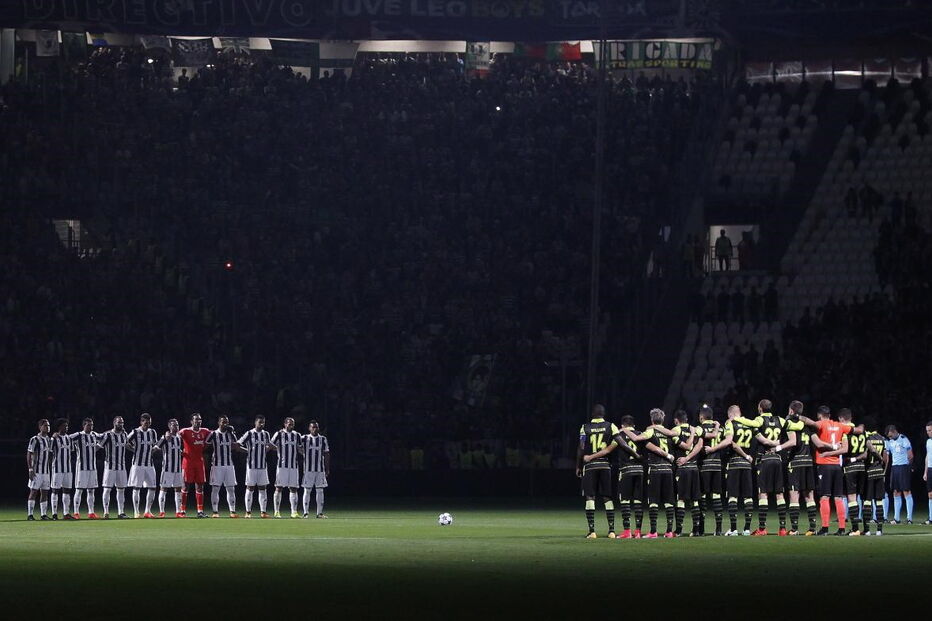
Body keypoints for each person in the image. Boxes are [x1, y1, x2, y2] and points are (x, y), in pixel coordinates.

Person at [733, 399, 789, 536]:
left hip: (764, 459)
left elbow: (750, 423)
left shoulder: (759, 419)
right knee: (779, 494)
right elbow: (791, 428)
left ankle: (762, 529)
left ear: (760, 408)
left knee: (763, 493)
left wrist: (737, 418)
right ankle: (782, 528)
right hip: (777, 459)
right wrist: (778, 443)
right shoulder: (780, 420)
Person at [584, 413, 644, 538]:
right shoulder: (640, 435)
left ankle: (626, 531)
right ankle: (638, 532)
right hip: (640, 470)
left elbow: (607, 450)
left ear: (622, 425)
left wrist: (590, 457)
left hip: (626, 470)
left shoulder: (619, 435)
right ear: (634, 425)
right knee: (638, 500)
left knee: (625, 500)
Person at [622, 409, 677, 538]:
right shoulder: (669, 433)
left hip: (656, 469)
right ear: (662, 420)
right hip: (668, 469)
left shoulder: (651, 431)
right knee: (669, 501)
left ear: (652, 420)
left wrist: (624, 430)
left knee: (653, 500)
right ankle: (669, 531)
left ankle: (653, 531)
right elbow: (675, 434)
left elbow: (636, 438)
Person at [797, 406, 851, 535]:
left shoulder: (820, 424)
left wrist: (827, 454)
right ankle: (842, 528)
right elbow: (845, 449)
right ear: (829, 414)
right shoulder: (839, 426)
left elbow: (818, 441)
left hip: (824, 465)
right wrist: (835, 451)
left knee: (824, 497)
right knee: (838, 497)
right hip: (837, 466)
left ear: (819, 415)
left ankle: (825, 528)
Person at [576, 404, 620, 538]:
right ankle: (612, 531)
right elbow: (618, 441)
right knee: (607, 497)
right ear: (603, 414)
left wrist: (578, 465)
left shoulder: (585, 427)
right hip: (605, 465)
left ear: (592, 414)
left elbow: (581, 447)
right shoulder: (610, 426)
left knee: (590, 496)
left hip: (590, 466)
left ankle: (592, 531)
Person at [782, 401, 818, 535]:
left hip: (796, 462)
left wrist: (778, 447)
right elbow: (818, 443)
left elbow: (793, 442)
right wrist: (832, 446)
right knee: (810, 496)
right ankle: (812, 528)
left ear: (791, 411)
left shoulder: (790, 423)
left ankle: (794, 529)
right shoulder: (808, 426)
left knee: (794, 495)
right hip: (808, 462)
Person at [719, 405, 755, 536]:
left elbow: (732, 444)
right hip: (747, 465)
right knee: (748, 497)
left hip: (734, 463)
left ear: (730, 414)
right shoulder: (750, 424)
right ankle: (747, 529)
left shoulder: (730, 423)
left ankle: (733, 529)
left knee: (733, 497)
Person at [671, 410, 703, 536]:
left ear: (676, 420)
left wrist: (685, 458)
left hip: (683, 469)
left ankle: (678, 530)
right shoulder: (697, 430)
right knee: (695, 500)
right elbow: (700, 445)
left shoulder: (676, 430)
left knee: (681, 499)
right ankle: (695, 530)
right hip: (694, 468)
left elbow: (686, 446)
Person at [837, 409, 867, 535]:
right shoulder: (862, 432)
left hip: (850, 467)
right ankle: (867, 528)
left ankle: (855, 528)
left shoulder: (844, 432)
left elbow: (843, 449)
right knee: (864, 498)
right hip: (862, 466)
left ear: (841, 419)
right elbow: (866, 451)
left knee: (851, 498)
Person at [238, 415, 273, 518]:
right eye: (260, 422)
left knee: (263, 488)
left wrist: (267, 449)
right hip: (251, 466)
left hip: (262, 466)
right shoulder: (249, 433)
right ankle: (248, 512)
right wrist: (248, 451)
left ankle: (263, 512)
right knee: (250, 488)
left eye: (263, 422)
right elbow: (238, 444)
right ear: (255, 423)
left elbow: (268, 445)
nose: (262, 424)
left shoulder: (266, 434)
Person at [207, 415, 241, 518]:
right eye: (223, 422)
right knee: (215, 488)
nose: (225, 424)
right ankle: (215, 512)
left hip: (229, 465)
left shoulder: (230, 434)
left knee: (231, 488)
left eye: (226, 422)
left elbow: (235, 445)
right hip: (217, 465)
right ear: (219, 422)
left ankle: (232, 511)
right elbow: (206, 445)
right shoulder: (213, 434)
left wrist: (232, 433)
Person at [127, 413, 160, 519]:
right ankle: (136, 512)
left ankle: (147, 511)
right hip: (138, 464)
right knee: (137, 488)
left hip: (149, 464)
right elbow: (126, 442)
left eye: (149, 422)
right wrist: (134, 450)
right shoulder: (135, 432)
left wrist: (154, 450)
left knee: (152, 487)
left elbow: (155, 444)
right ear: (141, 422)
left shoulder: (152, 432)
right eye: (145, 422)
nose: (147, 424)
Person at [699, 405, 725, 536]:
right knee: (716, 496)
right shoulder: (720, 429)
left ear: (701, 417)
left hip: (705, 465)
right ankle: (719, 529)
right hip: (717, 465)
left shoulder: (700, 428)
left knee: (703, 496)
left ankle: (701, 529)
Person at [179, 413, 211, 518]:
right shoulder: (185, 431)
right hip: (188, 462)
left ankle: (200, 511)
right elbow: (175, 436)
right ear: (191, 421)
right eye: (196, 419)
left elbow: (215, 434)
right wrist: (179, 450)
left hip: (199, 462)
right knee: (185, 486)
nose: (198, 421)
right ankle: (182, 510)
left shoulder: (205, 431)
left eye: (200, 419)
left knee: (200, 486)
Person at [98, 416, 130, 519]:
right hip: (110, 467)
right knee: (107, 489)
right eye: (119, 423)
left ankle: (121, 512)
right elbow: (99, 445)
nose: (121, 424)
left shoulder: (124, 434)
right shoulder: (108, 434)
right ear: (114, 423)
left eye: (122, 422)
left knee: (121, 490)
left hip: (121, 467)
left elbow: (127, 445)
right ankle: (106, 512)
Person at [270, 417, 302, 518]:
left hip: (293, 466)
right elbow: (271, 444)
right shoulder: (279, 434)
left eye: (292, 424)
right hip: (282, 466)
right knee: (278, 488)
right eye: (289, 424)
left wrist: (306, 454)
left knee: (293, 488)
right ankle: (276, 511)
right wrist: (278, 449)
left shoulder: (297, 435)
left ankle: (294, 512)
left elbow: (299, 448)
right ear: (285, 424)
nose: (291, 426)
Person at [70, 417, 101, 519]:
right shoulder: (79, 435)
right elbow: (67, 437)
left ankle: (91, 512)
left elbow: (103, 436)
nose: (90, 427)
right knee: (79, 490)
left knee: (91, 490)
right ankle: (76, 512)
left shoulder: (94, 435)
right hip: (82, 468)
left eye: (92, 425)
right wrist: (56, 435)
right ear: (84, 426)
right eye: (88, 425)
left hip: (92, 468)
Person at [862, 418, 888, 536]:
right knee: (879, 501)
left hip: (869, 472)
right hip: (879, 471)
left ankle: (867, 529)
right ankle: (879, 530)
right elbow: (886, 458)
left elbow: (866, 454)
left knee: (867, 501)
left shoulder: (867, 438)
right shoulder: (883, 439)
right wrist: (884, 473)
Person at [884, 425, 914, 524]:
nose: (890, 437)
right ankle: (896, 518)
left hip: (903, 467)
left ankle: (909, 518)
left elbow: (910, 455)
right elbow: (887, 457)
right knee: (896, 492)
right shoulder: (889, 442)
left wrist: (909, 467)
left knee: (906, 491)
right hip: (894, 468)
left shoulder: (903, 439)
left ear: (894, 431)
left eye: (891, 435)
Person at [301, 420, 331, 519]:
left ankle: (319, 513)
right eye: (313, 427)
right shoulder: (304, 438)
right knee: (307, 490)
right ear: (309, 428)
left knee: (320, 491)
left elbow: (326, 453)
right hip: (308, 470)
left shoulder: (323, 439)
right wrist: (302, 453)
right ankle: (305, 513)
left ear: (318, 428)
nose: (314, 429)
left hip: (320, 470)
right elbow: (296, 446)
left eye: (316, 427)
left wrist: (327, 468)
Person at [155, 418, 184, 518]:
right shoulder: (165, 437)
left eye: (177, 425)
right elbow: (156, 447)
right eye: (174, 425)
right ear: (169, 426)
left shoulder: (179, 437)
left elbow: (179, 450)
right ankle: (162, 511)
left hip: (178, 468)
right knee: (163, 489)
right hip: (167, 468)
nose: (176, 426)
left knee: (178, 489)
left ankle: (178, 512)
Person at [26, 419, 53, 521]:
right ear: (40, 427)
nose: (47, 427)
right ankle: (30, 515)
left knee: (45, 492)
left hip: (46, 472)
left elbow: (49, 455)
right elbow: (29, 454)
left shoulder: (49, 440)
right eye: (45, 425)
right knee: (33, 492)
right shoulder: (35, 439)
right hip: (36, 471)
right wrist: (30, 469)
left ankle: (43, 514)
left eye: (48, 425)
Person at [50, 418, 75, 520]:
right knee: (55, 490)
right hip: (57, 469)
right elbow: (50, 453)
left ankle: (66, 513)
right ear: (59, 427)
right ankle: (54, 514)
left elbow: (72, 452)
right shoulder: (54, 439)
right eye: (65, 426)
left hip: (68, 469)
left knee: (67, 491)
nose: (67, 427)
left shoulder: (69, 439)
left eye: (67, 426)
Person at [925, 421, 932, 525]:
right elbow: (927, 456)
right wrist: (925, 472)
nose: (928, 432)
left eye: (930, 430)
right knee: (930, 494)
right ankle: (931, 518)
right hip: (930, 469)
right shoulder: (928, 442)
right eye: (927, 431)